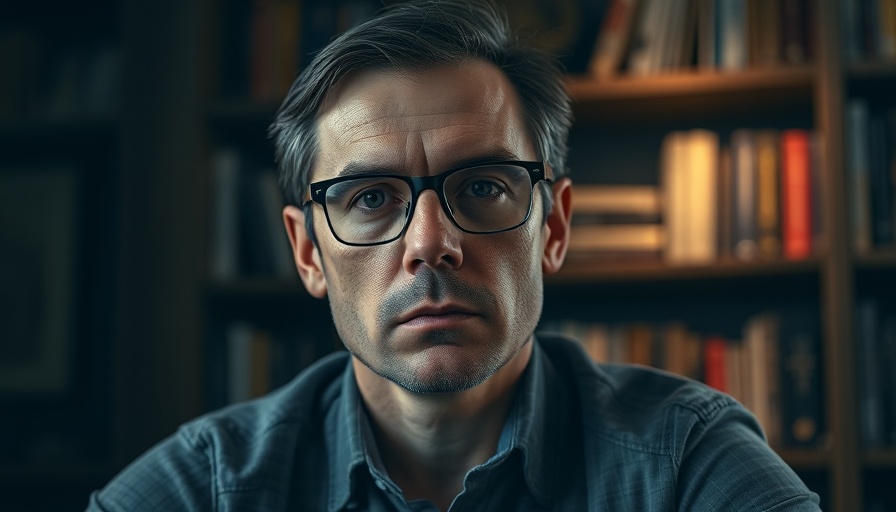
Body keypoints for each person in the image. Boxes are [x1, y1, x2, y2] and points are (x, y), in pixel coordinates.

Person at [89, 1, 821, 510]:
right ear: (308, 252)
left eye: (481, 186)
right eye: (370, 198)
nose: (430, 243)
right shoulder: (206, 488)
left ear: (554, 228)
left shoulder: (685, 462)